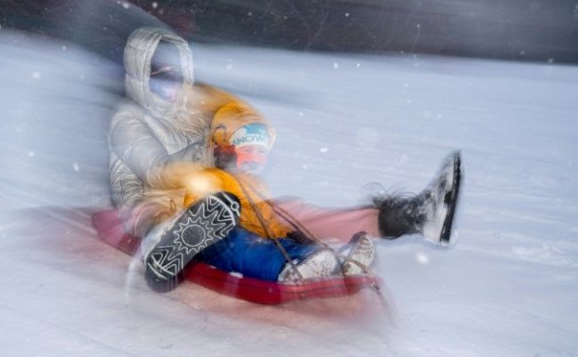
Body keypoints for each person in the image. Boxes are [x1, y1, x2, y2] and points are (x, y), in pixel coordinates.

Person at [108, 26, 461, 292]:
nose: (170, 91)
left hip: (219, 198)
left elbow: (233, 113)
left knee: (286, 214)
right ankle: (174, 252)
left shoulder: (190, 105)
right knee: (221, 231)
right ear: (140, 79)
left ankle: (409, 217)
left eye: (175, 80)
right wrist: (210, 154)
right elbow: (155, 169)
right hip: (159, 206)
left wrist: (243, 136)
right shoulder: (128, 120)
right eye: (159, 83)